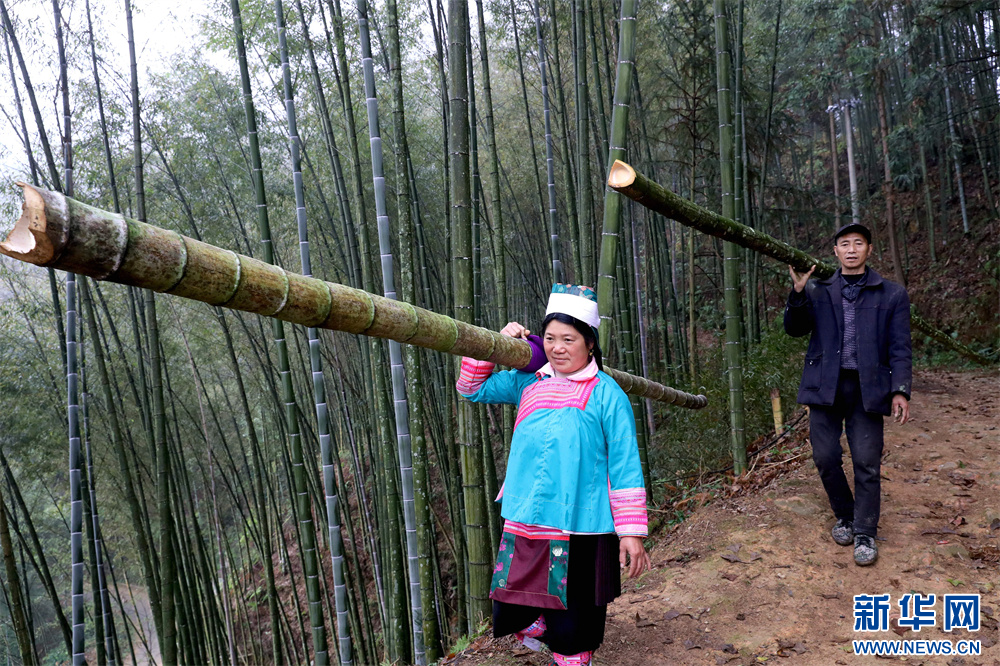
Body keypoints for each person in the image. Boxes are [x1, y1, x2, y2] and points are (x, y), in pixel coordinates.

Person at [456, 283, 650, 666]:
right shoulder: (529, 381)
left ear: (590, 343)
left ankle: (572, 655)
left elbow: (624, 464)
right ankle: (543, 631)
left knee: (574, 618)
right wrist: (496, 344)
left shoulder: (607, 394)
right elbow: (470, 388)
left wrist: (631, 533)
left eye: (568, 339)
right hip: (526, 519)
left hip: (581, 525)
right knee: (514, 607)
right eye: (549, 338)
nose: (557, 348)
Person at [784, 223, 912, 566]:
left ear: (869, 249)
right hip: (825, 385)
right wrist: (798, 293)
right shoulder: (818, 290)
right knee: (825, 457)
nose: (851, 249)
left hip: (869, 387)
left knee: (866, 461)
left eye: (858, 243)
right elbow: (795, 329)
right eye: (844, 244)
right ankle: (846, 515)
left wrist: (900, 391)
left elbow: (900, 348)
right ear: (836, 251)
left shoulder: (892, 294)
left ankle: (866, 531)